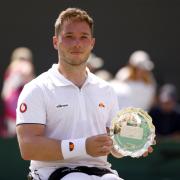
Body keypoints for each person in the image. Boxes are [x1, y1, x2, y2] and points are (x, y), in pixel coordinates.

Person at [16, 8, 152, 180]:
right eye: (69, 36)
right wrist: (83, 147)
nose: (77, 43)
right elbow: (28, 147)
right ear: (55, 41)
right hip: (49, 172)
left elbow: (114, 147)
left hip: (102, 171)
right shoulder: (36, 88)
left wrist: (133, 144)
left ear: (92, 43)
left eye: (83, 37)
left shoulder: (106, 89)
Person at [1, 47, 35, 137]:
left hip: (9, 103)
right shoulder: (25, 65)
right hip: (19, 103)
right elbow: (29, 78)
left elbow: (5, 93)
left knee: (12, 132)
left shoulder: (11, 67)